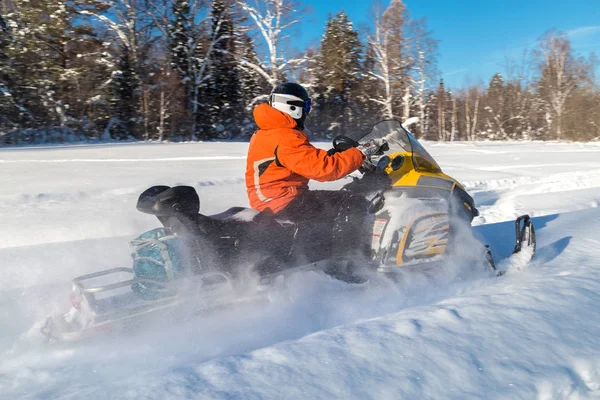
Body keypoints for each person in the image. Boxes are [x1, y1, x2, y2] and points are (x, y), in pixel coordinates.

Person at [245, 82, 383, 259]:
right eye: (307, 105)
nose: (307, 111)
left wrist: (335, 154)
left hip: (273, 198)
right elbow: (324, 169)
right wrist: (361, 153)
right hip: (284, 201)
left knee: (331, 202)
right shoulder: (285, 136)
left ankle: (325, 251)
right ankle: (346, 262)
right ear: (293, 107)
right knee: (351, 202)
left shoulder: (269, 131)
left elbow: (304, 159)